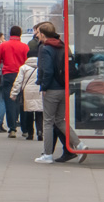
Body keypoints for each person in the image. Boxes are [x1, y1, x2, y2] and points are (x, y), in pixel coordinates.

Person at [35, 22, 86, 164]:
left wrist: (44, 87)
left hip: (52, 89)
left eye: (38, 33)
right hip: (64, 88)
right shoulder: (62, 45)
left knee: (48, 122)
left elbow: (47, 71)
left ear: (43, 34)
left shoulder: (46, 49)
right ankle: (80, 145)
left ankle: (47, 155)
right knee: (60, 120)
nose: (36, 35)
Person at [0, 26, 29, 138]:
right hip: (22, 76)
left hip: (8, 76)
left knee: (10, 103)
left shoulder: (3, 45)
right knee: (23, 102)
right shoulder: (25, 47)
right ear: (20, 34)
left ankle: (12, 129)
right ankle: (25, 129)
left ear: (10, 34)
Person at [10, 51, 43, 141]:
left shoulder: (23, 68)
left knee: (29, 113)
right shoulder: (41, 66)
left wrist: (14, 93)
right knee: (39, 112)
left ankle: (30, 133)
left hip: (27, 91)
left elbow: (18, 82)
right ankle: (40, 131)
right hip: (39, 90)